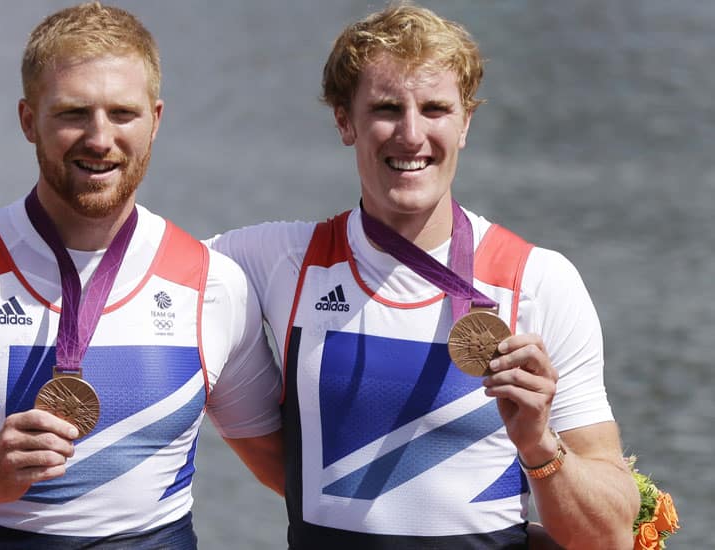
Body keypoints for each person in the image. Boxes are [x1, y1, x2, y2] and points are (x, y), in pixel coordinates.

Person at [0, 3, 283, 549]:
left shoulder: (214, 285)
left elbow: (300, 478)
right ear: (28, 120)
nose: (99, 138)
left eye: (123, 113)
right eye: (73, 113)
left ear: (156, 120)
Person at [206, 3, 639, 549]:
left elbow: (611, 538)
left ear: (466, 123)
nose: (411, 135)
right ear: (345, 120)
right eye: (387, 108)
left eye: (435, 109)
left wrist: (538, 446)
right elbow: (124, 266)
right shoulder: (280, 260)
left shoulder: (538, 281)